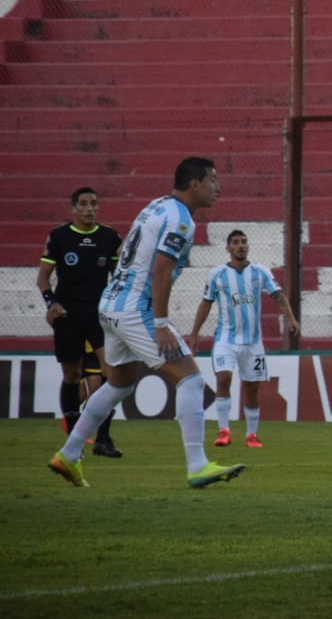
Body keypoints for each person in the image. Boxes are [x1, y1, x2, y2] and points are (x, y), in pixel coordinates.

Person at [48, 157, 246, 490]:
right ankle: (198, 465)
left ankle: (68, 454)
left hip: (110, 305)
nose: (218, 186)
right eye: (212, 179)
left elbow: (127, 248)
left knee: (119, 384)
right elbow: (162, 270)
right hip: (135, 309)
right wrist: (161, 323)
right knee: (192, 381)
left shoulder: (156, 206)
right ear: (194, 184)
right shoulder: (181, 220)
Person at [190, 229, 300, 449]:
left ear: (248, 246)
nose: (240, 246)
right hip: (225, 340)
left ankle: (252, 435)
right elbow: (206, 303)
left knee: (251, 388)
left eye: (244, 242)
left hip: (253, 343)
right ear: (228, 248)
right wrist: (194, 333)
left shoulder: (260, 272)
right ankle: (224, 431)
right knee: (223, 380)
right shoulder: (217, 274)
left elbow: (278, 295)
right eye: (236, 242)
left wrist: (291, 319)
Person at [37, 186, 124, 457]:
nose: (90, 209)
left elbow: (120, 276)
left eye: (94, 204)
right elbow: (43, 278)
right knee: (72, 375)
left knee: (113, 374)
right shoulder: (60, 237)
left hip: (100, 315)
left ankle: (103, 439)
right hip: (68, 316)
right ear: (74, 209)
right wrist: (52, 303)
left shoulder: (110, 237)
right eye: (84, 204)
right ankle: (75, 441)